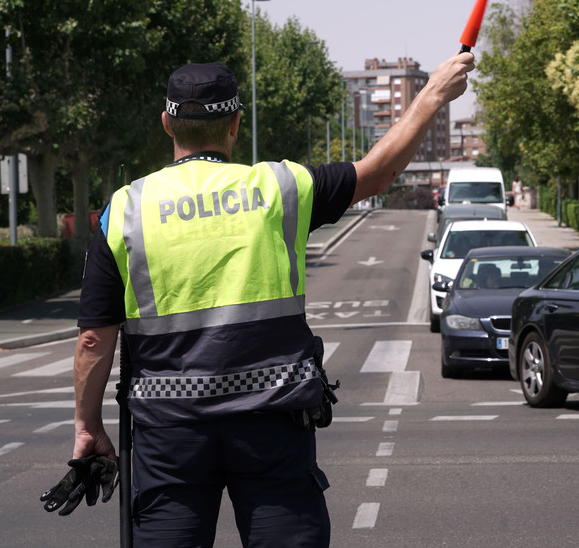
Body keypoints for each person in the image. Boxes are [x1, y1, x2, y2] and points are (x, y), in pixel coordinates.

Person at [55, 52, 474, 545]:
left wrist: (87, 426)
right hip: (271, 423)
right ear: (235, 124)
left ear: (167, 124)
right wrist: (432, 94)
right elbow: (377, 173)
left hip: (170, 434)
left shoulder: (126, 211)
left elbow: (92, 341)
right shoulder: (279, 188)